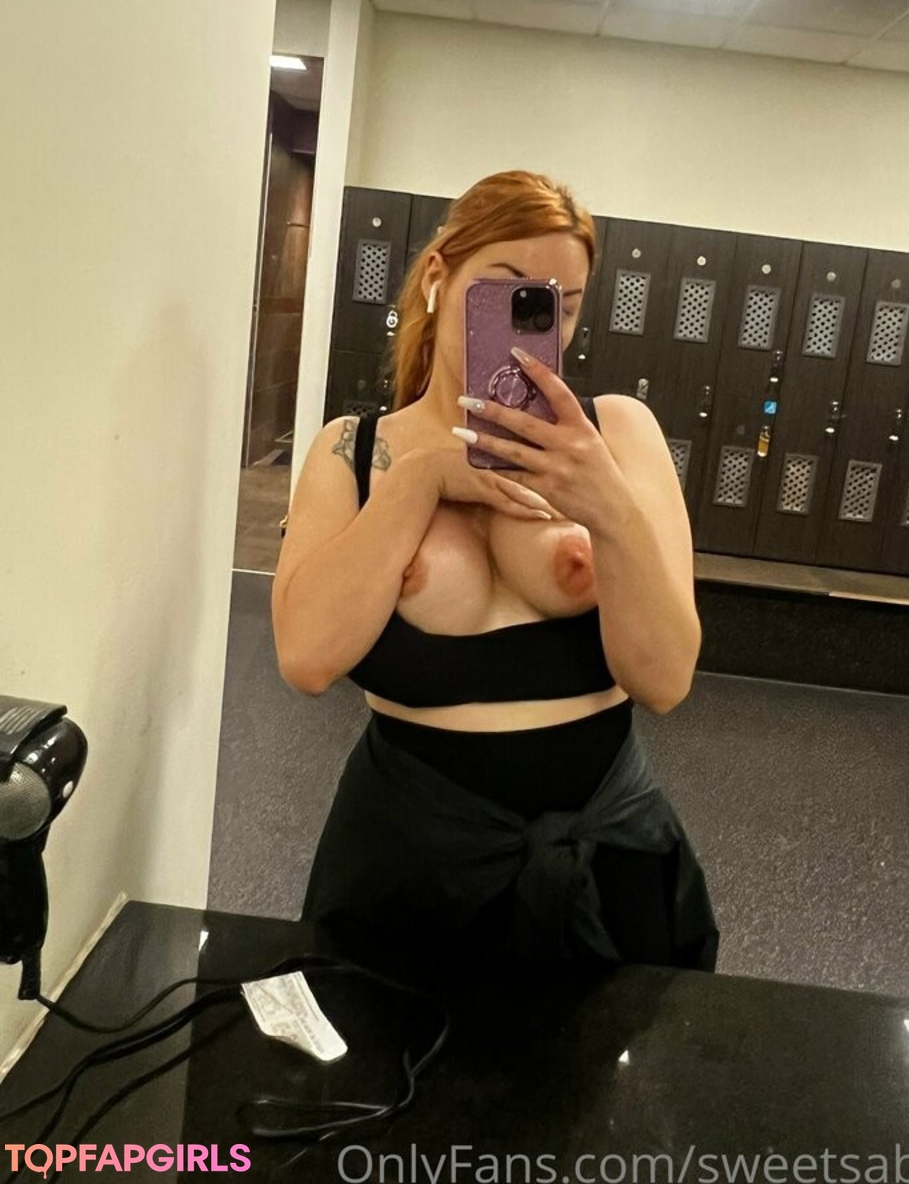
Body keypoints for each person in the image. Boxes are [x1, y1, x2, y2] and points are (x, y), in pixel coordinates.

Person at [272, 170, 718, 989]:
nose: (529, 324)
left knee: (605, 1070)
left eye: (558, 305)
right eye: (505, 290)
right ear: (438, 277)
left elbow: (664, 680)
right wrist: (420, 480)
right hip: (409, 863)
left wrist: (607, 505)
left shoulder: (620, 435)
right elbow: (306, 657)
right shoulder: (354, 451)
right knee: (394, 1064)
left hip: (604, 858)